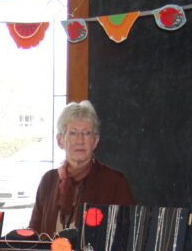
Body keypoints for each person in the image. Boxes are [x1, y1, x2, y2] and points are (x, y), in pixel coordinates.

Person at [28, 100, 134, 235]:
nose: (80, 140)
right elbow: (34, 234)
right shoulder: (49, 180)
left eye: (86, 133)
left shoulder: (115, 182)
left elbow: (127, 235)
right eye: (72, 133)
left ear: (95, 141)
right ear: (60, 140)